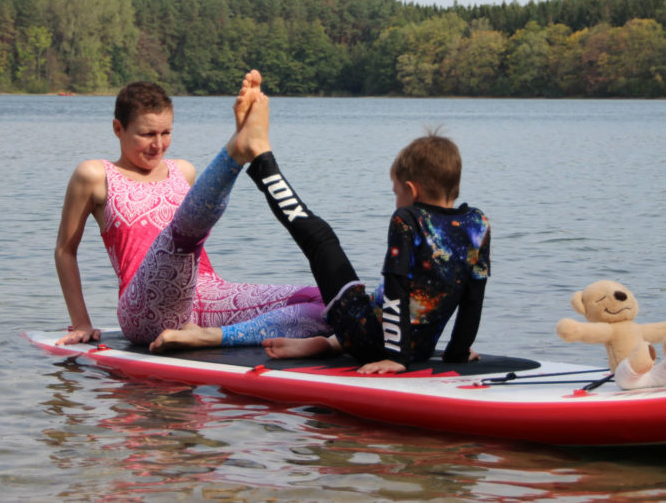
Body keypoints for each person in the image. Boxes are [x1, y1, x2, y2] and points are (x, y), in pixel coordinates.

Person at [160, 80, 491, 374]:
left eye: (396, 192)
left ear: (412, 190)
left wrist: (397, 358)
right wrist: (458, 352)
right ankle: (328, 343)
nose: (396, 200)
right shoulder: (477, 225)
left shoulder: (408, 220)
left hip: (374, 341)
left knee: (318, 238)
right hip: (415, 345)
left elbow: (396, 290)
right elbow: (473, 297)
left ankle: (260, 155)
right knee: (348, 277)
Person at [54, 71, 329, 347]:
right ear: (118, 129)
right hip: (144, 309)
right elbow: (65, 250)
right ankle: (237, 150)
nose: (158, 144)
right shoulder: (95, 175)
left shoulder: (182, 171)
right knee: (179, 239)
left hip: (207, 298)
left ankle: (215, 338)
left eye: (166, 133)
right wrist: (81, 323)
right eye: (147, 134)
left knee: (327, 303)